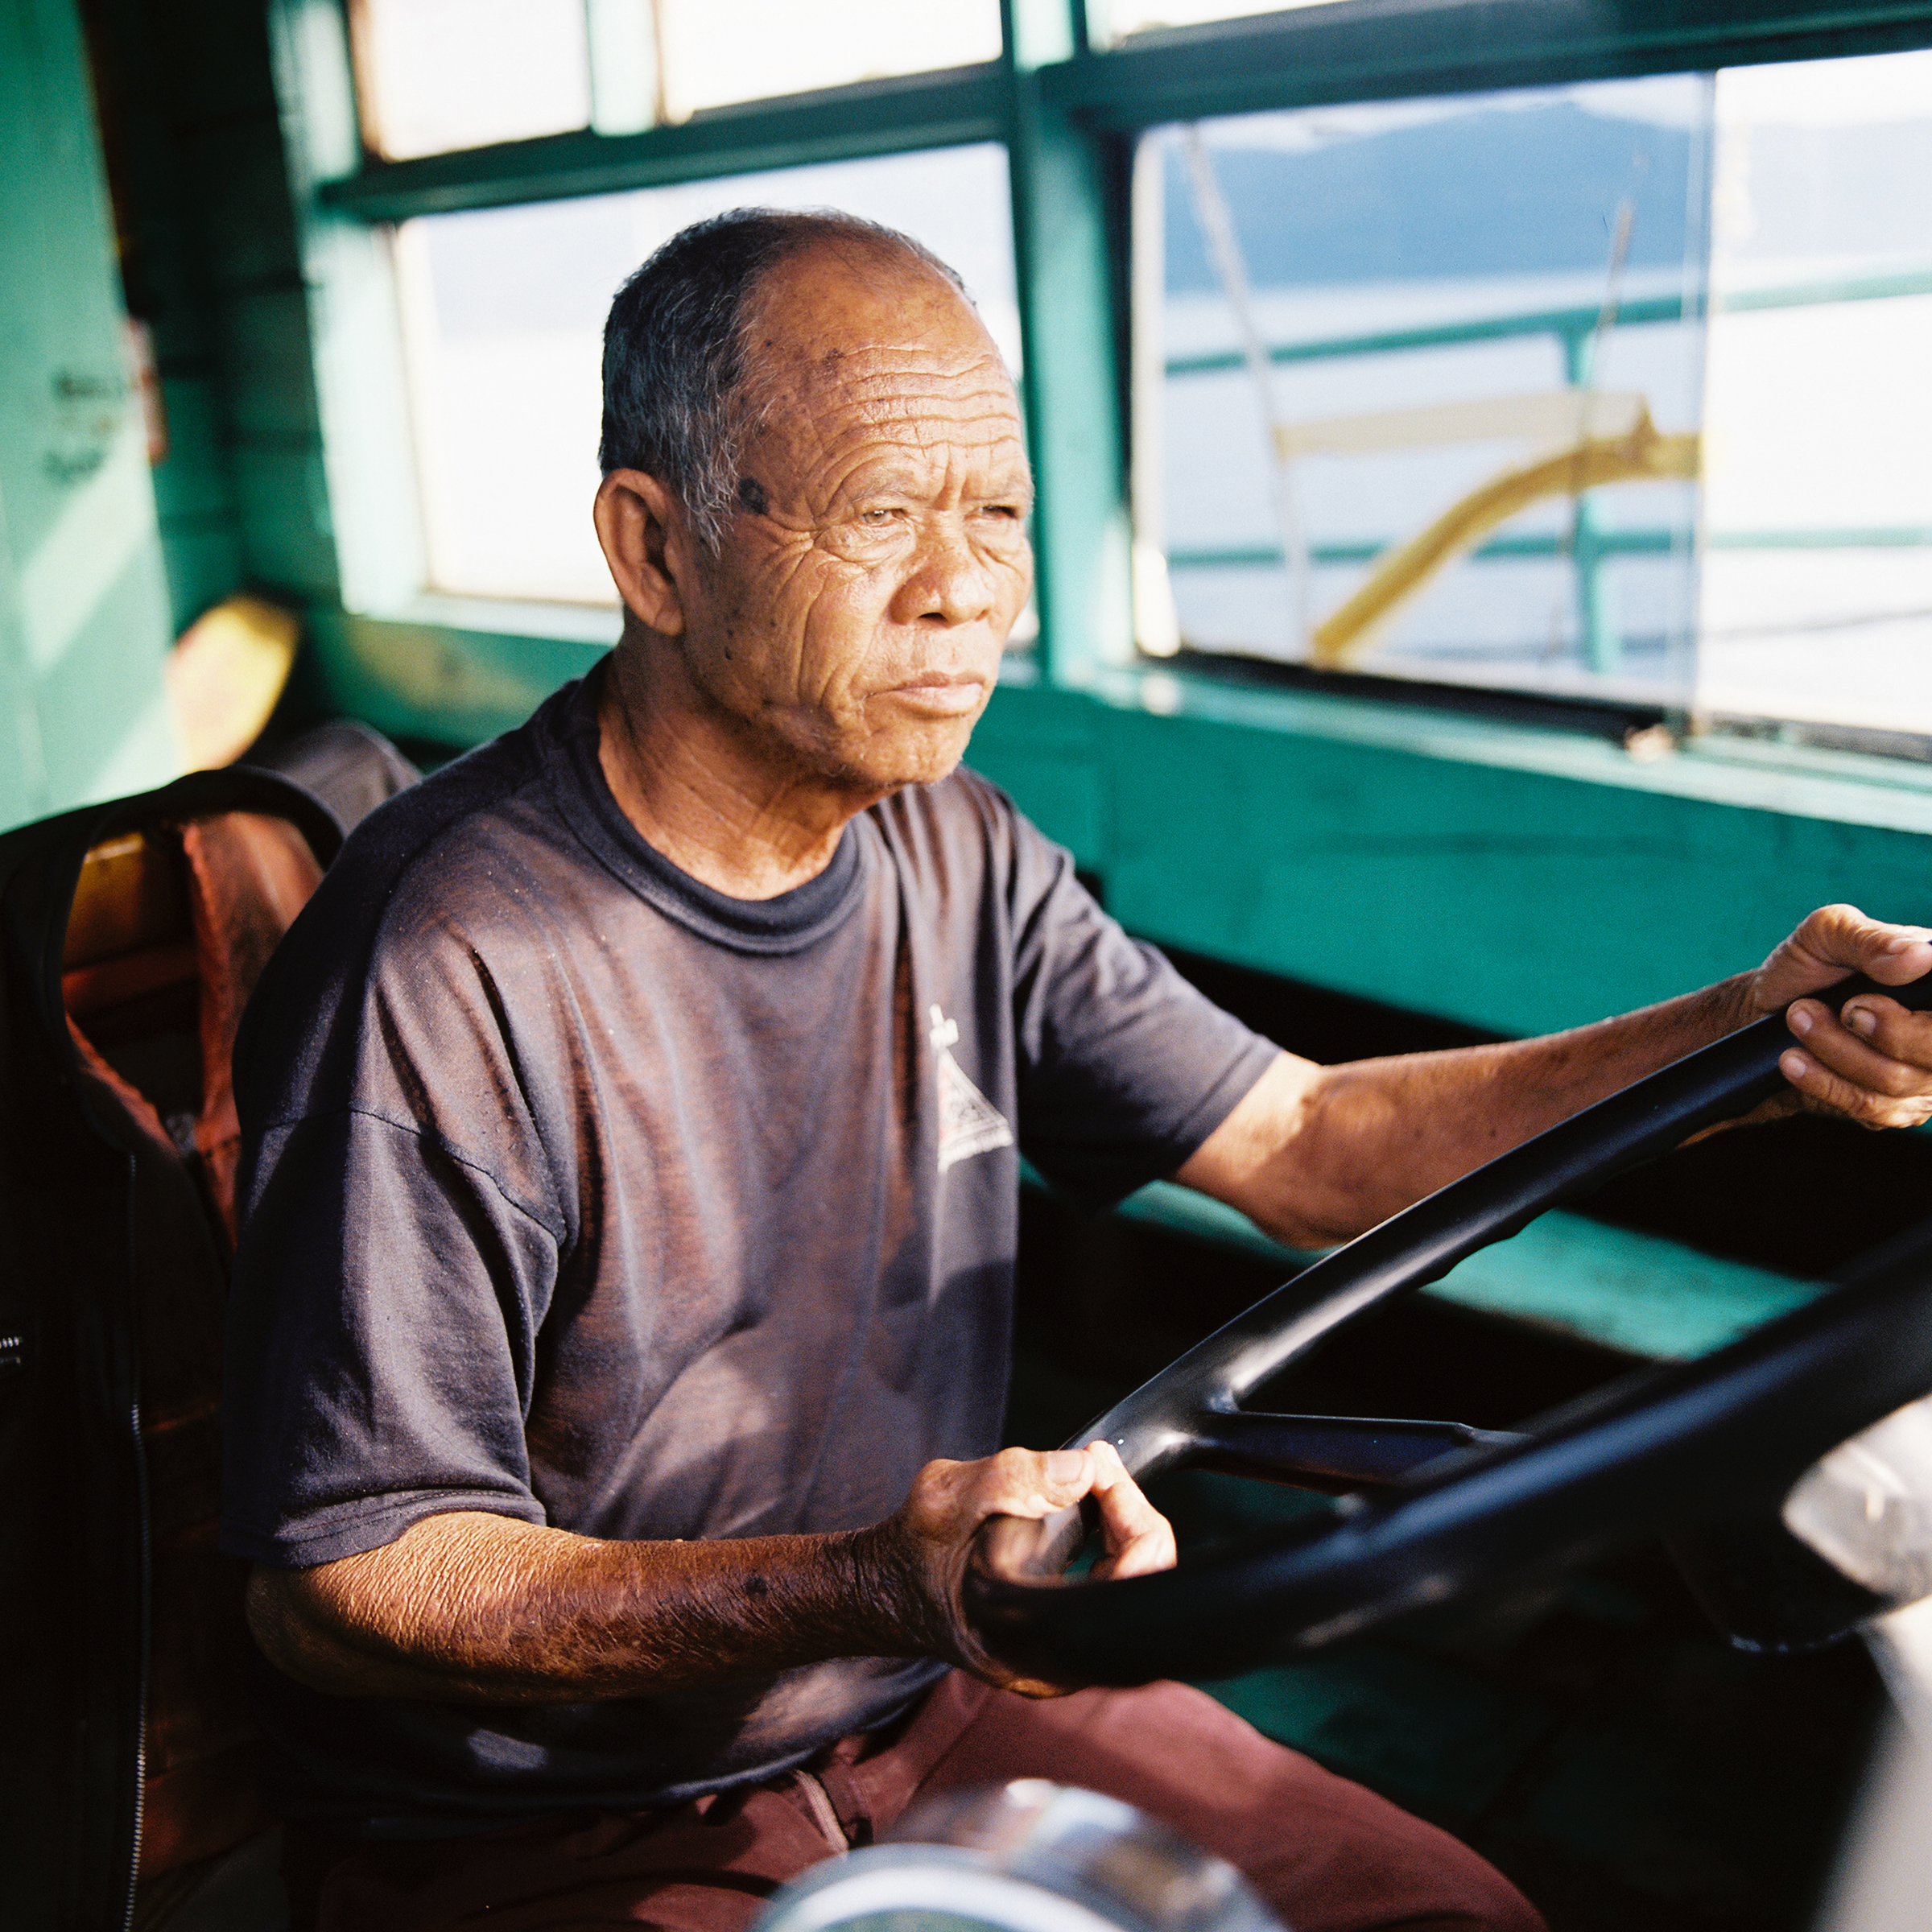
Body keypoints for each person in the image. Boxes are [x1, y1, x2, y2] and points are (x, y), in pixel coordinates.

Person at [221, 210, 1932, 1932]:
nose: (965, 584)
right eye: (883, 511)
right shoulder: (447, 965)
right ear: (653, 552)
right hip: (554, 1818)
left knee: (1449, 1917)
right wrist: (870, 1582)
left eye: (1000, 514)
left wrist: (1742, 1039)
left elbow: (1304, 1134)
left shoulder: (959, 848)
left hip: (930, 1697)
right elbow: (352, 1578)